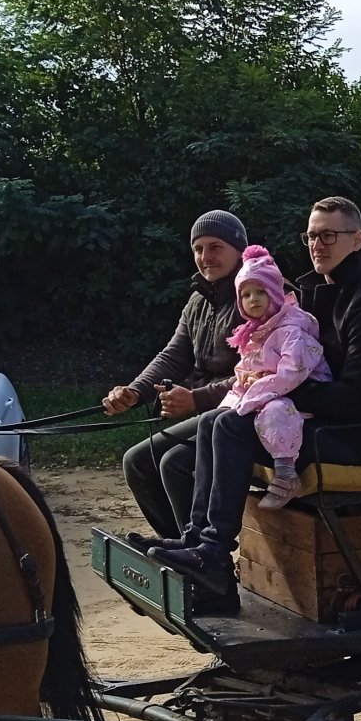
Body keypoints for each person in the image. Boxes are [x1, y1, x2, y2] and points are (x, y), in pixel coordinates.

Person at [154, 196, 361, 612]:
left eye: (329, 235)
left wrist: (275, 388)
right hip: (314, 418)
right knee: (212, 423)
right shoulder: (315, 290)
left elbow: (356, 399)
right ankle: (197, 541)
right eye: (311, 235)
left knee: (231, 426)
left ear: (357, 239)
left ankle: (214, 552)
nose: (318, 244)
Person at [104, 210, 249, 539]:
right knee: (138, 463)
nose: (205, 257)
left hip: (241, 413)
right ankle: (177, 547)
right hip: (209, 413)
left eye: (215, 247)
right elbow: (174, 354)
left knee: (171, 464)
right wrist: (135, 391)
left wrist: (196, 399)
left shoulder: (258, 295)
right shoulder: (198, 299)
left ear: (239, 249)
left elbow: (259, 372)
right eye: (198, 248)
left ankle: (202, 560)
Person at [203, 244, 330, 513]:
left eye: (261, 292)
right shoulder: (255, 332)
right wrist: (237, 397)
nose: (254, 299)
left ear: (275, 293)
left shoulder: (291, 329)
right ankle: (208, 484)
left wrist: (254, 393)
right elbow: (245, 372)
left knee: (274, 412)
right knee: (215, 419)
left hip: (302, 397)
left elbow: (291, 372)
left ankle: (286, 474)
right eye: (246, 295)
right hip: (271, 390)